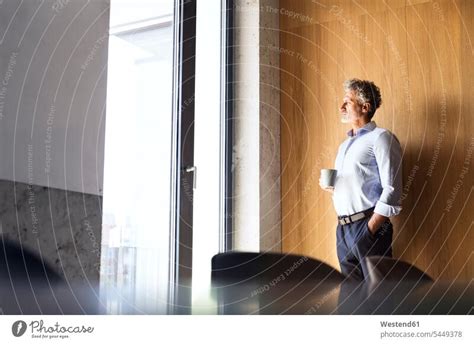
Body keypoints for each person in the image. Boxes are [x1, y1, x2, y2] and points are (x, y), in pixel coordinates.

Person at [320, 79, 402, 281]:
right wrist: (331, 188)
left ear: (365, 107)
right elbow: (356, 187)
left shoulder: (381, 138)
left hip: (368, 228)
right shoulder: (343, 146)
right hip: (343, 231)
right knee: (352, 302)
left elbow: (392, 189)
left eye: (347, 102)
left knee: (380, 300)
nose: (341, 107)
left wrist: (370, 229)